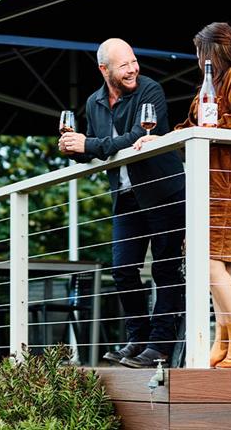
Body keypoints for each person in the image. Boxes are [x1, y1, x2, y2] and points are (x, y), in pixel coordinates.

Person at [134, 22, 231, 369]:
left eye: (199, 52)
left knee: (208, 261)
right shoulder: (216, 83)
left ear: (213, 51)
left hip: (230, 183)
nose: (197, 60)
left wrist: (203, 128)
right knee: (214, 262)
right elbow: (193, 125)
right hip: (211, 184)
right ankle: (224, 337)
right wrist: (160, 139)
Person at [59, 38, 186, 368]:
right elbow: (98, 152)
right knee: (122, 269)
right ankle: (138, 338)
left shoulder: (150, 90)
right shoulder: (93, 103)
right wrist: (76, 149)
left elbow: (136, 138)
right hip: (126, 197)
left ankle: (160, 345)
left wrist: (90, 144)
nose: (133, 69)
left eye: (134, 61)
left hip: (164, 191)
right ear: (104, 70)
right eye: (124, 65)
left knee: (165, 268)